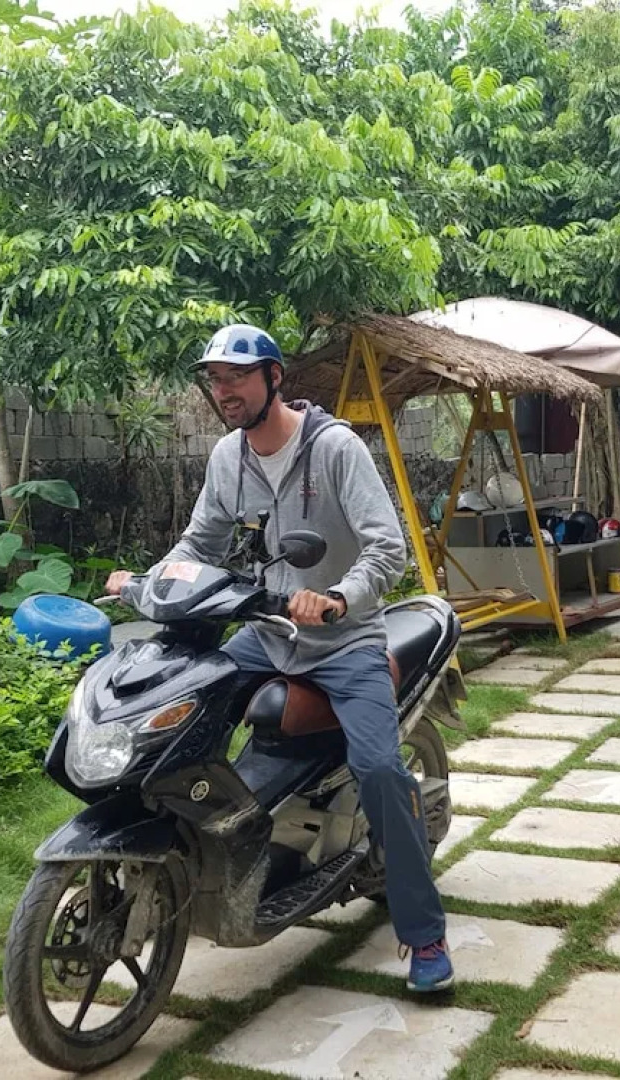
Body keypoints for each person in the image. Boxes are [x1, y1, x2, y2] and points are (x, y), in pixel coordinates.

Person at [105, 324, 453, 992]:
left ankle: (425, 935)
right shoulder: (228, 458)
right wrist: (147, 582)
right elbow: (197, 544)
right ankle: (200, 852)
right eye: (214, 378)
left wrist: (337, 599)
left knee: (380, 770)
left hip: (344, 642)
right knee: (178, 711)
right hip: (264, 634)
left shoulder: (335, 448)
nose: (223, 390)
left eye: (236, 377)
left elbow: (389, 549)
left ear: (274, 378)